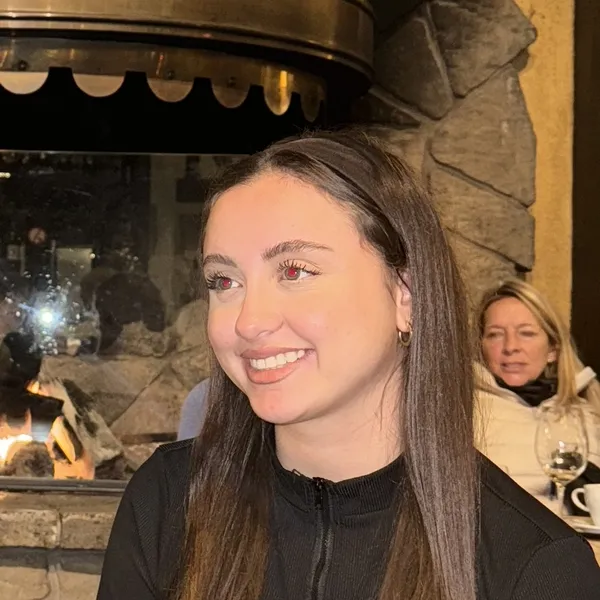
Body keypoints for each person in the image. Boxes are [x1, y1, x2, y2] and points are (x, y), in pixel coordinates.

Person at [97, 130, 600, 600]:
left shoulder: (536, 565)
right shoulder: (167, 499)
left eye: (295, 271)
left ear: (406, 295)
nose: (249, 321)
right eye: (224, 281)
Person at [475, 279, 600, 511]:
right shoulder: (464, 411)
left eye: (526, 333)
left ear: (553, 349)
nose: (511, 347)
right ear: (480, 347)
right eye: (495, 335)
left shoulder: (588, 413)